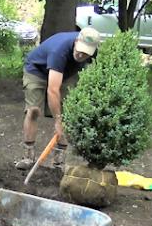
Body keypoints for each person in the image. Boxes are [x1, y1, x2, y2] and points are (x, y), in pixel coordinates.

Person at [15, 27, 102, 170]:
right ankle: (28, 157)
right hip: (36, 70)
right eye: (79, 50)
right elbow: (53, 90)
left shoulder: (93, 52)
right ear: (76, 41)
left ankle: (59, 162)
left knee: (68, 113)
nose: (81, 55)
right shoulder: (59, 51)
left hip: (64, 73)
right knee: (33, 110)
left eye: (86, 53)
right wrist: (57, 120)